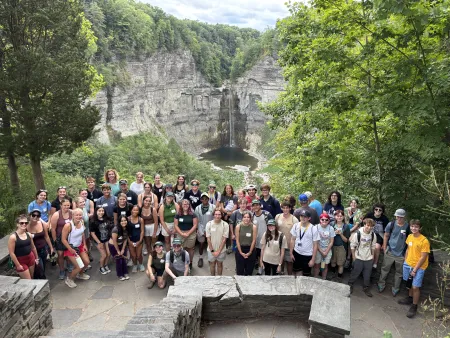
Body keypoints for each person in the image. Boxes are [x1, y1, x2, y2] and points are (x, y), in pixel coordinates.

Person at [397, 219, 430, 318]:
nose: (413, 228)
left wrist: (415, 269)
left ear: (420, 228)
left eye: (416, 226)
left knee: (415, 286)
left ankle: (414, 306)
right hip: (408, 264)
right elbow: (408, 249)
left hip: (419, 267)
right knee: (409, 282)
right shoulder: (410, 236)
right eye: (412, 226)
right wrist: (406, 261)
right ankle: (410, 298)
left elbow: (423, 257)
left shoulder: (424, 241)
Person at [378, 209, 410, 296]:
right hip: (390, 251)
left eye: (401, 216)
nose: (399, 218)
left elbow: (410, 240)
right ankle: (381, 284)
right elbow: (386, 235)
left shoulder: (407, 226)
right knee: (384, 269)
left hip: (401, 254)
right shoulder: (391, 224)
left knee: (399, 273)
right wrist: (384, 247)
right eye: (397, 216)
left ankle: (395, 288)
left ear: (404, 217)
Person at [61, 208, 90, 288]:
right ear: (73, 215)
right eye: (76, 215)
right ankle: (69, 279)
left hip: (80, 246)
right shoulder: (68, 225)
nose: (78, 216)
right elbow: (63, 239)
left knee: (86, 262)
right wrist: (71, 249)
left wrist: (84, 244)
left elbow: (82, 234)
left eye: (80, 215)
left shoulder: (82, 222)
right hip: (70, 248)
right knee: (78, 266)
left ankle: (80, 274)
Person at [348, 218, 377, 297]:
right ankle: (350, 285)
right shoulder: (358, 234)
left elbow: (373, 246)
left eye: (371, 226)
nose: (369, 227)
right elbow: (352, 246)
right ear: (364, 225)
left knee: (367, 274)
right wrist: (354, 257)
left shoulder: (373, 235)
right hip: (359, 257)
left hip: (368, 258)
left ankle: (366, 287)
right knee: (355, 272)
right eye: (368, 225)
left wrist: (372, 256)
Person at [8, 215, 39, 279]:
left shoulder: (29, 234)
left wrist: (36, 258)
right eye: (21, 223)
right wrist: (18, 265)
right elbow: (11, 253)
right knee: (28, 280)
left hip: (31, 257)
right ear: (17, 224)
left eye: (26, 223)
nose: (24, 224)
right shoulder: (13, 237)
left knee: (32, 276)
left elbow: (33, 247)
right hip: (20, 260)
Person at [290, 209, 319, 277]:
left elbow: (315, 245)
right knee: (295, 271)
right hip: (296, 252)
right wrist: (291, 253)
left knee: (306, 275)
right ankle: (296, 285)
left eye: (305, 217)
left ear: (309, 218)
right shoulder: (296, 225)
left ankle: (303, 287)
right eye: (301, 216)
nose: (303, 218)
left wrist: (313, 259)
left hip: (307, 255)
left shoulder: (313, 229)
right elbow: (292, 239)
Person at [50, 198, 72, 280]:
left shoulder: (72, 213)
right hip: (59, 237)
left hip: (70, 237)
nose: (66, 207)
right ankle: (62, 270)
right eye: (65, 205)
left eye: (68, 205)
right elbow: (53, 229)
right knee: (60, 254)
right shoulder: (56, 214)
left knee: (69, 252)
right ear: (61, 205)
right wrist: (55, 239)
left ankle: (70, 265)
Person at [275, 201, 299, 275]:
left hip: (289, 245)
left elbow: (297, 233)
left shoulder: (294, 219)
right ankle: (281, 274)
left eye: (287, 208)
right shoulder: (278, 216)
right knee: (280, 261)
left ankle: (289, 276)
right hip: (279, 244)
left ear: (290, 208)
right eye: (283, 208)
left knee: (289, 262)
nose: (285, 210)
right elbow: (274, 229)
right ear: (281, 208)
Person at [174, 199, 198, 271]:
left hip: (191, 234)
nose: (185, 205)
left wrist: (188, 233)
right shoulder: (178, 215)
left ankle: (190, 262)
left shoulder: (193, 214)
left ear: (189, 205)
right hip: (180, 233)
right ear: (181, 205)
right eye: (184, 204)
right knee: (180, 248)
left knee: (190, 248)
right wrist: (181, 233)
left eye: (187, 204)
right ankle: (182, 262)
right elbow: (176, 225)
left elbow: (195, 225)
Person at [27, 209, 54, 274]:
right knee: (39, 268)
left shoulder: (42, 224)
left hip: (43, 249)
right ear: (30, 215)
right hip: (33, 251)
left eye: (38, 216)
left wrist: (51, 247)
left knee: (43, 267)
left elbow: (46, 236)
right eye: (33, 215)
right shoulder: (26, 226)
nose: (35, 217)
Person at [364, 204, 389, 269]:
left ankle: (375, 263)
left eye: (380, 210)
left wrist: (384, 243)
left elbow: (386, 232)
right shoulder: (369, 215)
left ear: (382, 211)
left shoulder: (385, 219)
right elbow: (363, 224)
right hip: (368, 233)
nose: (378, 211)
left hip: (379, 235)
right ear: (374, 210)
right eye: (376, 209)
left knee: (377, 247)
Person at [252, 199, 273, 274]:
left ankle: (267, 271)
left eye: (257, 205)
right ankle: (260, 271)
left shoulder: (266, 214)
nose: (256, 207)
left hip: (266, 239)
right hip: (256, 240)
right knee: (259, 255)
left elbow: (272, 226)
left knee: (266, 255)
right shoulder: (252, 216)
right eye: (254, 205)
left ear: (260, 205)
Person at [194, 192, 215, 268]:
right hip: (201, 228)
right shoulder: (198, 208)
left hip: (211, 228)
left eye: (206, 198)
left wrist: (209, 230)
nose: (205, 200)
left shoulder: (213, 207)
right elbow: (197, 220)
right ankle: (200, 258)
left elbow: (215, 220)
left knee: (211, 244)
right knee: (201, 244)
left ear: (208, 199)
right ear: (201, 200)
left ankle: (211, 258)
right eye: (203, 198)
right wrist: (200, 230)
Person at [205, 209, 229, 276]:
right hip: (211, 249)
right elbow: (208, 239)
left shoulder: (225, 225)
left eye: (219, 214)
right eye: (216, 214)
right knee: (212, 264)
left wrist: (218, 251)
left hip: (221, 250)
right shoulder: (209, 224)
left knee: (219, 264)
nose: (217, 216)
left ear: (221, 215)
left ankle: (219, 279)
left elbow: (224, 239)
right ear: (213, 215)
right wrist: (212, 251)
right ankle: (212, 278)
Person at [90, 206, 113, 275]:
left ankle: (105, 265)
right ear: (96, 212)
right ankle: (101, 267)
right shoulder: (93, 221)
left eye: (102, 211)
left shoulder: (107, 219)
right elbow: (92, 233)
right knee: (104, 255)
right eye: (99, 211)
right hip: (99, 240)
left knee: (109, 254)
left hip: (107, 239)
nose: (101, 212)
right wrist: (99, 242)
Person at [235, 211, 257, 276]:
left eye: (248, 217)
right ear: (242, 218)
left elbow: (254, 240)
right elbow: (237, 240)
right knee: (240, 270)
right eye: (244, 217)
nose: (246, 219)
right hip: (240, 248)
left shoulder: (254, 227)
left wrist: (250, 252)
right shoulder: (238, 226)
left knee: (249, 270)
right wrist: (241, 252)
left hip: (250, 249)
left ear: (250, 218)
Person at [314, 213, 335, 280]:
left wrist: (326, 252)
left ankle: (324, 279)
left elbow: (331, 241)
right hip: (317, 249)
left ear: (329, 221)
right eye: (322, 219)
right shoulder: (316, 227)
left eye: (326, 220)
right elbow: (315, 242)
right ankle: (315, 278)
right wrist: (321, 251)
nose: (324, 221)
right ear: (320, 220)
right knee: (317, 265)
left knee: (325, 266)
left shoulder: (331, 228)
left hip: (327, 250)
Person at [330, 210, 350, 281]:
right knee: (333, 261)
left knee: (340, 263)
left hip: (342, 247)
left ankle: (339, 276)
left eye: (341, 216)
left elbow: (346, 240)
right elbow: (328, 236)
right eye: (337, 216)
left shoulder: (346, 226)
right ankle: (332, 274)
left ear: (343, 217)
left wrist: (341, 234)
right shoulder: (331, 224)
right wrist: (334, 233)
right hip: (332, 246)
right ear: (335, 216)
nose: (339, 217)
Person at [109, 215, 130, 281]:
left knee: (124, 259)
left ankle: (125, 273)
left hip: (122, 244)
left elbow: (125, 239)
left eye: (125, 220)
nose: (124, 222)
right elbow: (114, 241)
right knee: (119, 260)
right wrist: (118, 250)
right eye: (122, 221)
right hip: (114, 246)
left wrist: (123, 249)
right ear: (119, 222)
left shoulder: (127, 228)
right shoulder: (115, 229)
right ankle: (120, 274)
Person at [74, 197, 92, 263]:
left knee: (86, 246)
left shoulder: (84, 209)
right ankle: (82, 263)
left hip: (86, 231)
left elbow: (87, 221)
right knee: (81, 249)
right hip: (80, 234)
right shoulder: (76, 212)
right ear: (76, 204)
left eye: (83, 201)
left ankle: (86, 259)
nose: (83, 203)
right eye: (80, 202)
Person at [128, 205, 145, 272]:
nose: (135, 211)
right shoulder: (128, 219)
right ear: (131, 210)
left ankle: (140, 264)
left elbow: (142, 231)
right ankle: (135, 265)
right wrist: (129, 242)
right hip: (130, 240)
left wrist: (140, 241)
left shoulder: (141, 219)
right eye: (134, 210)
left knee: (139, 255)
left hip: (139, 240)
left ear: (139, 211)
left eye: (137, 210)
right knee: (133, 255)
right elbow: (126, 232)